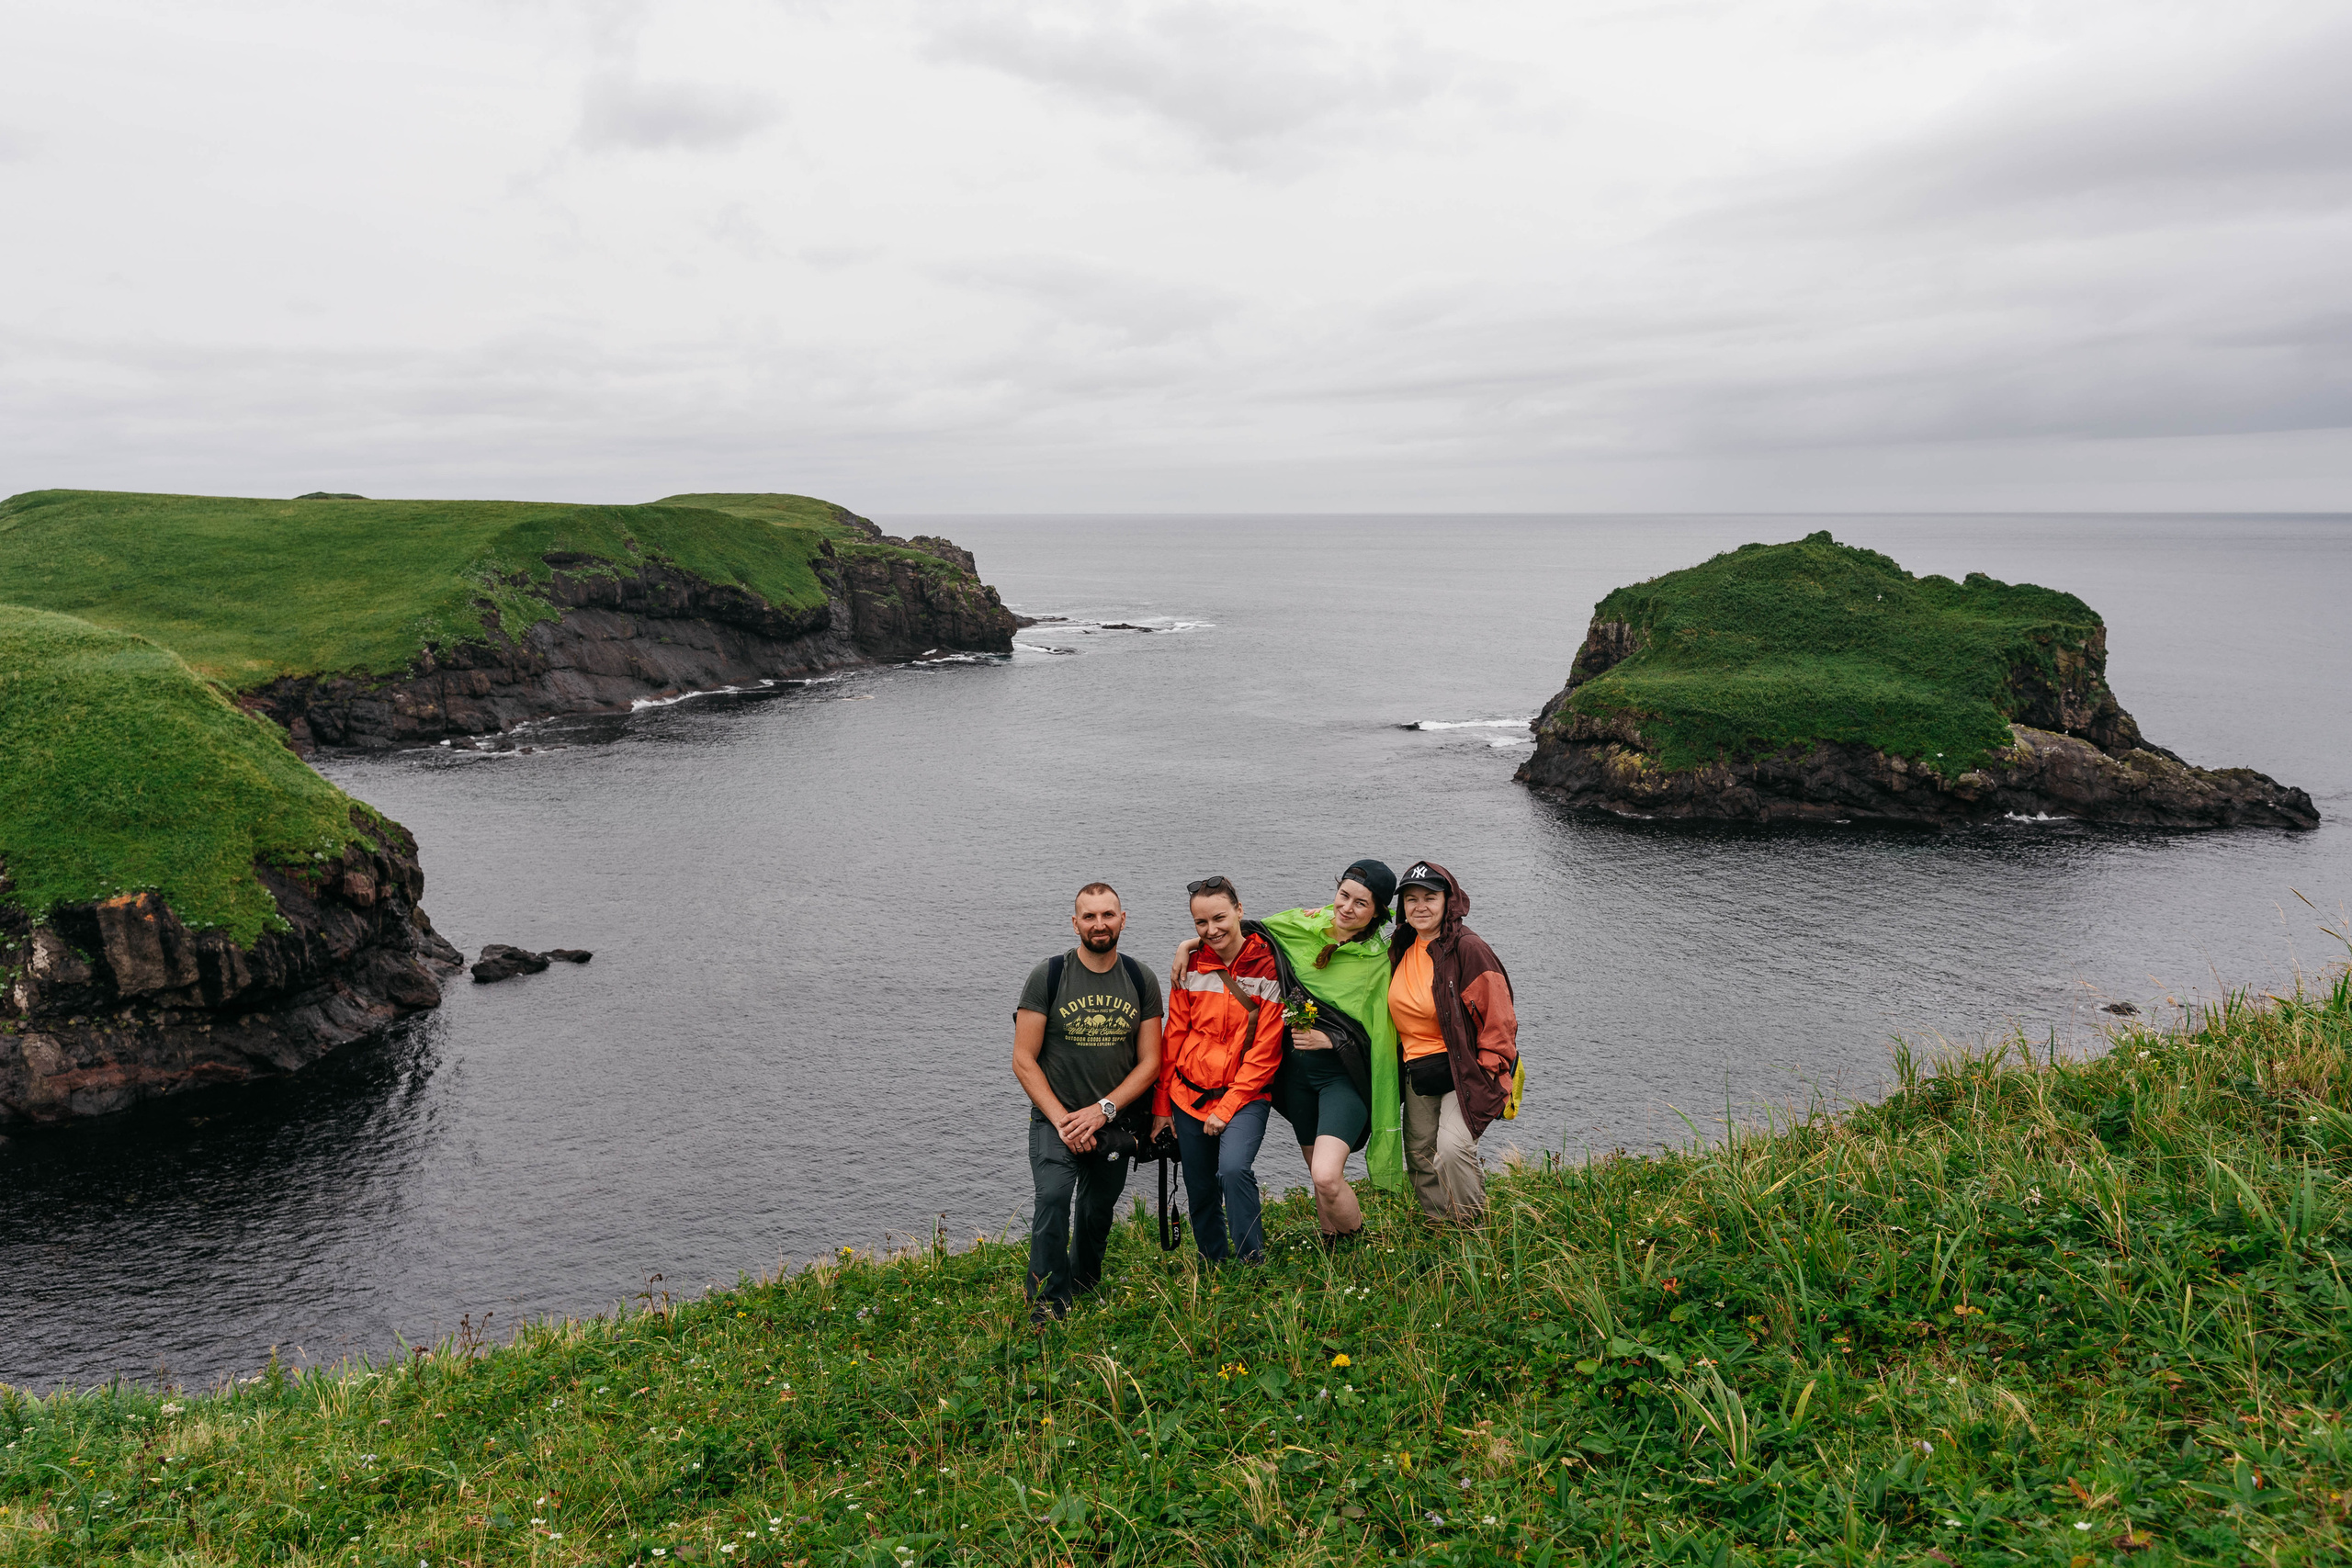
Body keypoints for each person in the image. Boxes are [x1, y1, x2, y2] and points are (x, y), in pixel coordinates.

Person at [1176, 859, 1406, 1244]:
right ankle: (1333, 1252)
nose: (1347, 908)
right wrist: (1189, 944)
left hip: (1341, 1079)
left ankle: (1361, 1249)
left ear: (1378, 912)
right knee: (1315, 1170)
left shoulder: (1380, 961)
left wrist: (1333, 1040)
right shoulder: (1302, 925)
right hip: (1296, 1078)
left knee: (1327, 1176)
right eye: (1344, 895)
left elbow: (1383, 1036)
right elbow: (1242, 930)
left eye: (1361, 903)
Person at [1013, 882, 1164, 1322]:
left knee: (1098, 1209)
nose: (1100, 924)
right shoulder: (1049, 975)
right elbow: (1023, 1060)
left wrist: (1102, 1112)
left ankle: (1083, 1284)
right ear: (1075, 922)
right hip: (1055, 1120)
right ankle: (1046, 1304)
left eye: (1108, 915)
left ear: (1123, 919)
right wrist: (1065, 1121)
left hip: (1113, 1122)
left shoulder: (1141, 978)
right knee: (1055, 1199)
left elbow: (1151, 1062)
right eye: (1090, 916)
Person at [1152, 875, 1287, 1264]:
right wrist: (1162, 1107)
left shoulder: (1269, 966)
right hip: (1187, 1094)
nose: (1211, 930)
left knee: (1232, 1170)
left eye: (1219, 918)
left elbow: (1265, 1053)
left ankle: (1251, 1262)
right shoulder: (1191, 965)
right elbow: (1173, 1038)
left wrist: (1226, 1108)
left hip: (1245, 1096)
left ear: (1240, 911)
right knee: (1199, 1187)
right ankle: (1213, 1262)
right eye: (1200, 924)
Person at [1387, 861, 1519, 1224]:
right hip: (1419, 1068)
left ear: (1450, 900)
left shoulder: (1468, 948)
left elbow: (1500, 1017)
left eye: (1430, 897)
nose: (1420, 907)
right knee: (1419, 1154)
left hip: (1465, 1067)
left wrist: (1492, 1068)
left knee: (1453, 1146)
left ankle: (1472, 1227)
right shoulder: (1400, 944)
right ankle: (1441, 1222)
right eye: (1411, 899)